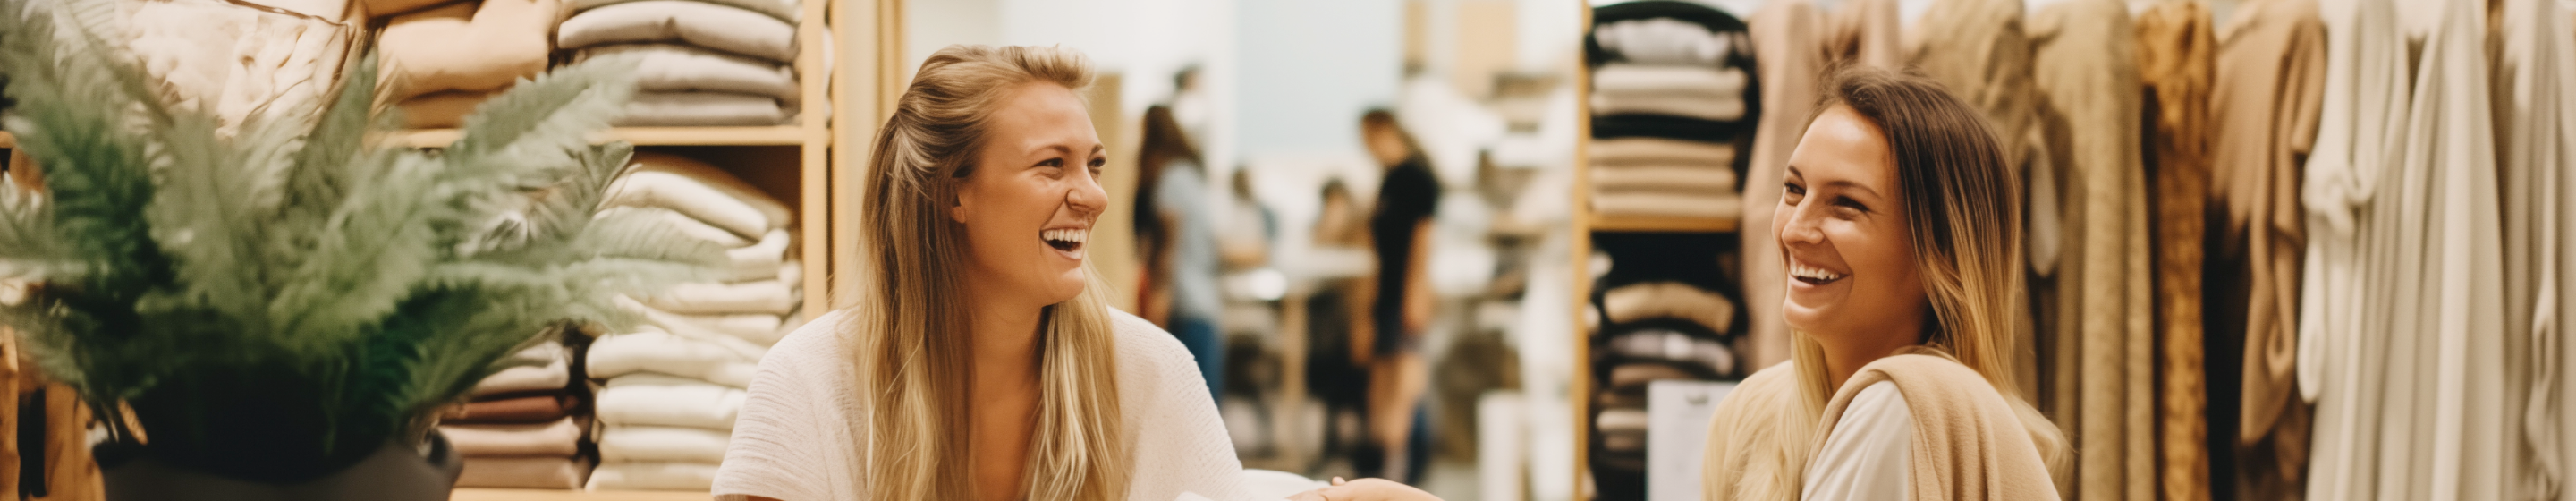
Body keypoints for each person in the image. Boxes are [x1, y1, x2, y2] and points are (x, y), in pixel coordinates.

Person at [709, 44, 1432, 501]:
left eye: (1093, 164)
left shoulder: (1145, 370)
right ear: (952, 192)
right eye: (1051, 164)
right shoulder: (811, 384)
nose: (1093, 196)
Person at [1698, 67, 2067, 501]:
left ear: (1944, 254)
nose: (1795, 230)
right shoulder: (1751, 413)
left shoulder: (1901, 404)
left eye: (1846, 204)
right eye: (1794, 189)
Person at [1357, 108, 1440, 484]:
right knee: (1384, 389)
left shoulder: (1417, 178)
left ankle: (1401, 476)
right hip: (1387, 296)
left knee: (1403, 391)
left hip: (1406, 295)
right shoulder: (1389, 180)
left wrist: (1416, 296)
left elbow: (1423, 244)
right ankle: (1389, 470)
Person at [1138, 104, 1225, 402]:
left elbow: (1169, 245)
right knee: (1205, 399)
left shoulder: (1170, 180)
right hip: (1204, 300)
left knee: (1189, 401)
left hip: (1185, 301)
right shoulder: (1191, 175)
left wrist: (1159, 295)